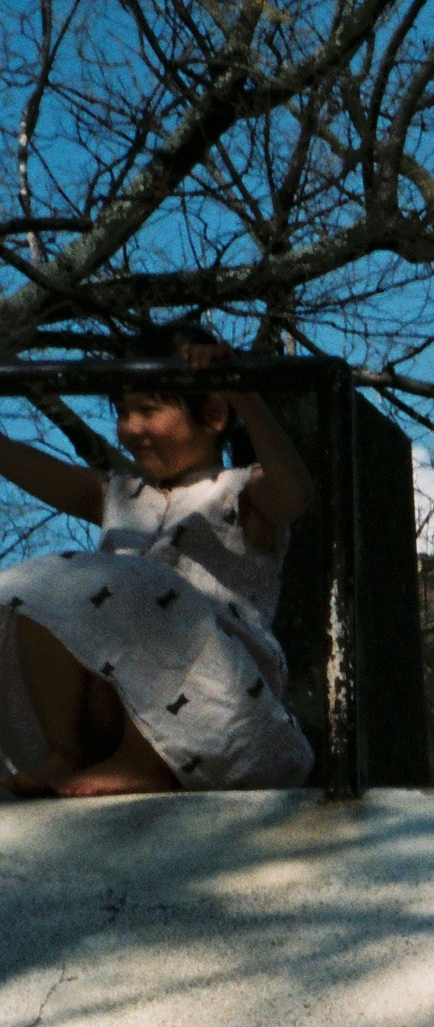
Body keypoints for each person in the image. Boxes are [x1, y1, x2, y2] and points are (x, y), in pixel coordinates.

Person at [0, 332, 318, 796]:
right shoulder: (120, 495)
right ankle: (65, 752)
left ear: (213, 415)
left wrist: (244, 395)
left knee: (146, 583)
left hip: (216, 708)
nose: (130, 428)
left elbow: (296, 493)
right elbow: (27, 467)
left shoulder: (239, 494)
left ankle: (143, 762)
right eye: (122, 411)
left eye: (147, 410)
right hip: (116, 698)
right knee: (40, 593)